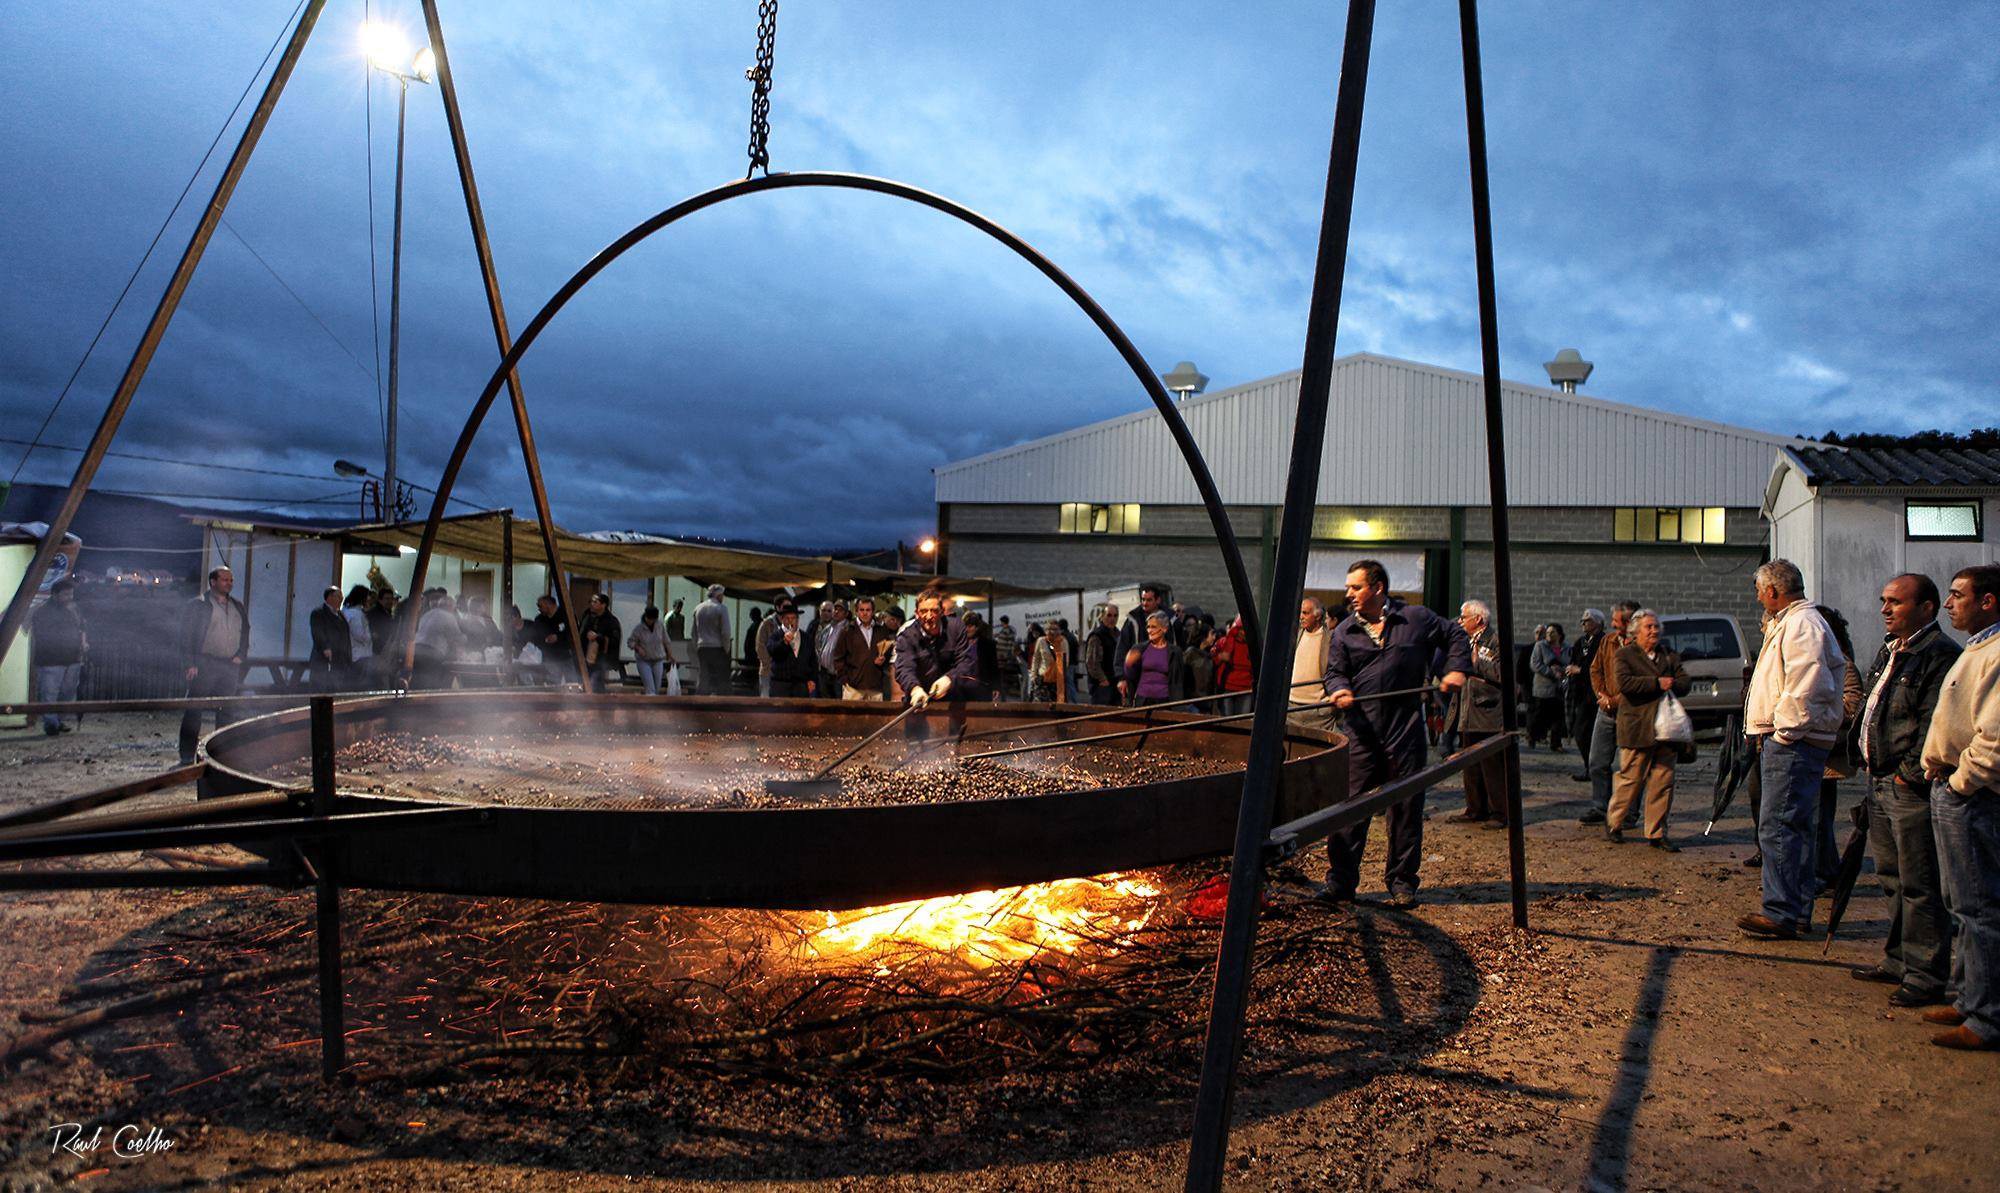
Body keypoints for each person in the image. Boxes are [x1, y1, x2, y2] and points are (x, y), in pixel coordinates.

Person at [1322, 560, 1471, 908]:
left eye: (1355, 587)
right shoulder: (1345, 631)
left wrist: (1455, 670)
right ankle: (1341, 882)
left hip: (1405, 731)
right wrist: (1341, 688)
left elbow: (1455, 635)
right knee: (1349, 808)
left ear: (1377, 588)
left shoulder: (1414, 619)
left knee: (1405, 809)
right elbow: (1333, 673)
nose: (1348, 594)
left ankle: (1402, 883)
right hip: (1360, 731)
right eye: (1348, 587)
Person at [1851, 573, 1960, 1009]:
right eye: (1883, 601)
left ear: (1927, 608)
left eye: (1896, 602)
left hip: (1907, 788)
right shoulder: (1892, 650)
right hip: (1879, 782)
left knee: (1920, 883)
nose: (1885, 609)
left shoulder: (1938, 656)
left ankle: (1926, 974)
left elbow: (1936, 722)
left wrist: (1908, 774)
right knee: (1892, 877)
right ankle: (1898, 960)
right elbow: (1874, 707)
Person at [1738, 559, 1848, 940]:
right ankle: (1794, 909)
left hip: (1793, 742)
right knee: (1791, 827)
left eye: (1759, 591)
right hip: (1791, 739)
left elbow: (1808, 684)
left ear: (1772, 591)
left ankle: (1782, 911)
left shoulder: (1803, 624)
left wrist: (1783, 732)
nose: (1757, 598)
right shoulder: (1791, 622)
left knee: (1780, 826)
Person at [1919, 565, 2000, 1050]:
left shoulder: (1996, 653)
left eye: (1958, 595)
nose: (1950, 604)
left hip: (1974, 798)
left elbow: (1994, 739)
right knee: (1960, 903)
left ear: (1988, 601)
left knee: (1980, 907)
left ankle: (1987, 1018)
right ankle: (1969, 998)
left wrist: (1961, 781)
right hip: (1954, 791)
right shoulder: (1978, 648)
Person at [1608, 610, 1692, 850]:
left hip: (1667, 730)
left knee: (1663, 780)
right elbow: (1624, 684)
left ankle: (1656, 832)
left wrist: (1672, 682)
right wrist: (1656, 683)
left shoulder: (1668, 655)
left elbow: (1685, 681)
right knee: (1631, 778)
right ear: (1636, 631)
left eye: (1656, 627)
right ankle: (1615, 822)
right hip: (1637, 727)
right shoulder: (1625, 655)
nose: (1654, 631)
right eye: (1649, 627)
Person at [1814, 608, 1866, 891]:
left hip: (1825, 751)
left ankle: (1826, 872)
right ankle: (1827, 869)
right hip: (1816, 747)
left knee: (1819, 817)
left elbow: (1851, 705)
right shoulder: (1820, 660)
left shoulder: (1841, 663)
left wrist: (1813, 715)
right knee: (1815, 818)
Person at [178, 566, 248, 764]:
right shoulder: (199, 605)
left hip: (229, 665)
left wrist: (241, 654)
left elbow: (245, 632)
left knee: (226, 710)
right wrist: (190, 663)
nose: (229, 583)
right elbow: (186, 636)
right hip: (205, 662)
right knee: (195, 708)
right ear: (213, 582)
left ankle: (222, 754)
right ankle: (186, 755)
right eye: (225, 579)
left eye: (231, 580)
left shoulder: (237, 606)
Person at [1581, 601, 1641, 827]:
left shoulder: (1640, 646)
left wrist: (1615, 700)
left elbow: (1639, 682)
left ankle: (1629, 813)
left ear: (1628, 622)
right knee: (1597, 761)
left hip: (1631, 714)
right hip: (1605, 712)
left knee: (1630, 767)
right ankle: (1600, 806)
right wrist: (1602, 695)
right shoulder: (1608, 641)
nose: (1613, 625)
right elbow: (1595, 669)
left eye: (1616, 621)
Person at [1449, 599, 1508, 827]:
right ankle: (1475, 808)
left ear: (1478, 619)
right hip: (1466, 710)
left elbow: (1503, 673)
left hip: (1488, 712)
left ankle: (1500, 813)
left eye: (1463, 617)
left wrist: (1477, 664)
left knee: (1492, 766)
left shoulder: (1496, 640)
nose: (1460, 621)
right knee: (1470, 765)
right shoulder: (1463, 640)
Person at [895, 587, 986, 707]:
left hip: (952, 701)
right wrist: (914, 689)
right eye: (923, 611)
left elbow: (966, 661)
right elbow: (904, 668)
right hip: (918, 701)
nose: (929, 616)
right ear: (916, 613)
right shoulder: (907, 636)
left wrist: (949, 679)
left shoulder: (956, 628)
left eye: (934, 610)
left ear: (942, 611)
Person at [30, 579, 86, 736]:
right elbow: (41, 635)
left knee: (68, 692)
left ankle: (58, 719)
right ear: (55, 595)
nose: (69, 597)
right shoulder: (42, 612)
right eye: (66, 594)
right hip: (51, 659)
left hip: (72, 657)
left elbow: (82, 627)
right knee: (49, 692)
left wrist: (83, 642)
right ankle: (51, 723)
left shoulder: (74, 609)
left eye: (71, 594)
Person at [1116, 583, 1178, 704]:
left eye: (1149, 600)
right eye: (1143, 599)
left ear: (1158, 600)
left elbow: (1179, 648)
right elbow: (1122, 649)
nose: (1145, 603)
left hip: (1164, 677)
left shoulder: (1171, 620)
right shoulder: (1132, 620)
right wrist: (1121, 677)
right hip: (1138, 676)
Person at [1565, 610, 1607, 781]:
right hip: (1580, 693)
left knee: (1586, 732)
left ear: (1597, 623)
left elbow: (1598, 667)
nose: (1583, 624)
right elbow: (1574, 660)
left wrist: (1580, 671)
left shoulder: (1603, 642)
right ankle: (1589, 766)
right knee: (1580, 731)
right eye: (1582, 621)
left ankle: (1594, 768)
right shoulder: (1580, 642)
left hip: (1594, 694)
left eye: (1587, 621)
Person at [1290, 598, 1336, 733]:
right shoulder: (1296, 635)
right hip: (1292, 708)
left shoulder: (1330, 639)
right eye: (1300, 613)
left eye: (1305, 613)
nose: (1301, 617)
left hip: (1319, 711)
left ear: (1317, 616)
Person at [835, 596, 892, 699]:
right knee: (851, 715)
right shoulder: (847, 630)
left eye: (868, 610)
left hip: (875, 686)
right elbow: (838, 658)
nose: (865, 613)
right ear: (856, 611)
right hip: (853, 687)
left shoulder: (881, 630)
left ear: (873, 611)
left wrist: (884, 660)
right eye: (862, 610)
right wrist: (845, 680)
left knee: (876, 715)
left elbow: (888, 653)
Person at [412, 588, 463, 690]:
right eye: (453, 608)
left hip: (417, 649)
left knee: (418, 681)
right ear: (450, 607)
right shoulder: (448, 616)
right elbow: (457, 636)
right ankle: (430, 702)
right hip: (433, 651)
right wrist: (465, 639)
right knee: (432, 681)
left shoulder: (427, 614)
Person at [1124, 611, 1177, 706]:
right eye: (1148, 627)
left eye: (1153, 627)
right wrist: (1128, 665)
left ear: (1164, 629)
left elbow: (1177, 681)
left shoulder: (1174, 652)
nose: (1149, 630)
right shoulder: (1140, 649)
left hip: (1164, 701)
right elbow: (1130, 675)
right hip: (1142, 700)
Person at [765, 599, 816, 697]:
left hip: (801, 686)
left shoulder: (806, 638)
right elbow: (772, 651)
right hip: (780, 686)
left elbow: (813, 660)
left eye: (793, 618)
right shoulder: (776, 636)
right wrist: (784, 642)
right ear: (782, 619)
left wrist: (812, 679)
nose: (790, 621)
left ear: (798, 619)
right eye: (787, 618)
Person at [1530, 622, 1568, 752]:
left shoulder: (1566, 648)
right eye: (1547, 633)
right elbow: (1535, 664)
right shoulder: (1541, 646)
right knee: (1540, 715)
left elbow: (1568, 663)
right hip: (1543, 687)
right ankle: (1533, 737)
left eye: (1552, 633)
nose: (1549, 635)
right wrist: (1551, 672)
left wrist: (1562, 671)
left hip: (1559, 688)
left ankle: (1556, 743)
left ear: (1559, 634)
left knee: (1558, 717)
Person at [307, 585, 351, 692]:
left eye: (342, 597)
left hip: (340, 659)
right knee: (321, 688)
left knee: (337, 689)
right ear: (329, 597)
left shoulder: (340, 615)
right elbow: (318, 633)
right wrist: (325, 647)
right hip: (324, 659)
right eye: (338, 596)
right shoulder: (319, 613)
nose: (341, 599)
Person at [693, 584, 732, 695]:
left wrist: (697, 645)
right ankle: (722, 703)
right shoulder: (721, 608)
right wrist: (726, 648)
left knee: (703, 676)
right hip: (717, 647)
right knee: (721, 677)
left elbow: (694, 632)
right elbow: (726, 632)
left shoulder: (698, 608)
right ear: (718, 595)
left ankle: (700, 701)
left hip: (702, 647)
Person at [580, 592, 622, 692]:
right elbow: (581, 632)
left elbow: (615, 640)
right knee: (587, 684)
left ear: (603, 605)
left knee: (595, 683)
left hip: (601, 658)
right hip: (586, 657)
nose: (592, 604)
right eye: (591, 601)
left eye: (595, 602)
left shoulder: (611, 621)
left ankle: (598, 705)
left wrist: (598, 637)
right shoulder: (588, 617)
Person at [627, 605, 671, 695]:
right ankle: (651, 707)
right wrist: (638, 648)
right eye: (649, 619)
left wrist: (670, 655)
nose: (651, 621)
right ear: (646, 617)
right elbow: (630, 642)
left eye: (653, 619)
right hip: (644, 661)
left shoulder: (660, 625)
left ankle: (654, 705)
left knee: (657, 687)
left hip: (658, 660)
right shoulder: (639, 628)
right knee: (650, 688)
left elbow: (666, 640)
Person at [1084, 603, 1121, 706]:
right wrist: (1103, 679)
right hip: (1102, 686)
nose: (1112, 619)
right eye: (1109, 615)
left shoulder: (1118, 634)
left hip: (1115, 684)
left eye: (1115, 615)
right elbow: (1092, 662)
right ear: (1103, 616)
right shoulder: (1097, 636)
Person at [532, 594, 573, 684]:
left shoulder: (566, 616)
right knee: (552, 684)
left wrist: (558, 637)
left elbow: (573, 633)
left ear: (548, 604)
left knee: (572, 683)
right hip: (550, 657)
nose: (539, 609)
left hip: (566, 656)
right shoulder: (539, 619)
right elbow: (535, 637)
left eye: (540, 606)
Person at [813, 599, 850, 701]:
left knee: (838, 702)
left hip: (838, 674)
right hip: (824, 672)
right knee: (825, 702)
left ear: (846, 614)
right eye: (835, 609)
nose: (836, 612)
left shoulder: (848, 628)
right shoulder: (828, 627)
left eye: (840, 610)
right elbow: (818, 645)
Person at [1027, 619, 1068, 703]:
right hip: (1042, 679)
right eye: (1049, 629)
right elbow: (1036, 658)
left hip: (1057, 680)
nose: (1052, 631)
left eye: (1055, 629)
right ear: (1045, 630)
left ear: (1059, 630)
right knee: (1040, 706)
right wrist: (1033, 675)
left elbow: (1065, 661)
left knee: (1056, 706)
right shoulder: (1041, 641)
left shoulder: (1063, 642)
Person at [1212, 614, 1253, 697]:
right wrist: (1220, 657)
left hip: (1246, 688)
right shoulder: (1224, 642)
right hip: (1228, 686)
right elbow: (1212, 656)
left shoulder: (1253, 646)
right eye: (1241, 629)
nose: (1243, 632)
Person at [342, 585, 375, 687]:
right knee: (360, 684)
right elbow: (359, 634)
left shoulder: (346, 611)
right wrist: (371, 636)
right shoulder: (356, 614)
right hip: (361, 654)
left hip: (354, 653)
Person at [1183, 624, 1218, 713]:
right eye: (1211, 634)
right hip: (1192, 702)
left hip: (1206, 702)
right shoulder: (1191, 653)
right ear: (1204, 636)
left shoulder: (1210, 656)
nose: (1214, 637)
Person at [993, 614, 1021, 701]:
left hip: (1003, 657)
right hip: (1001, 656)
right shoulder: (1006, 630)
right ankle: (1003, 695)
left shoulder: (1008, 631)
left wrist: (1007, 655)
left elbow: (1010, 644)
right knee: (1001, 677)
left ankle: (1003, 696)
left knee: (1002, 677)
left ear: (1003, 622)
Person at [745, 607, 770, 697]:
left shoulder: (754, 627)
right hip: (764, 658)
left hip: (755, 658)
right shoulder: (765, 625)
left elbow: (748, 645)